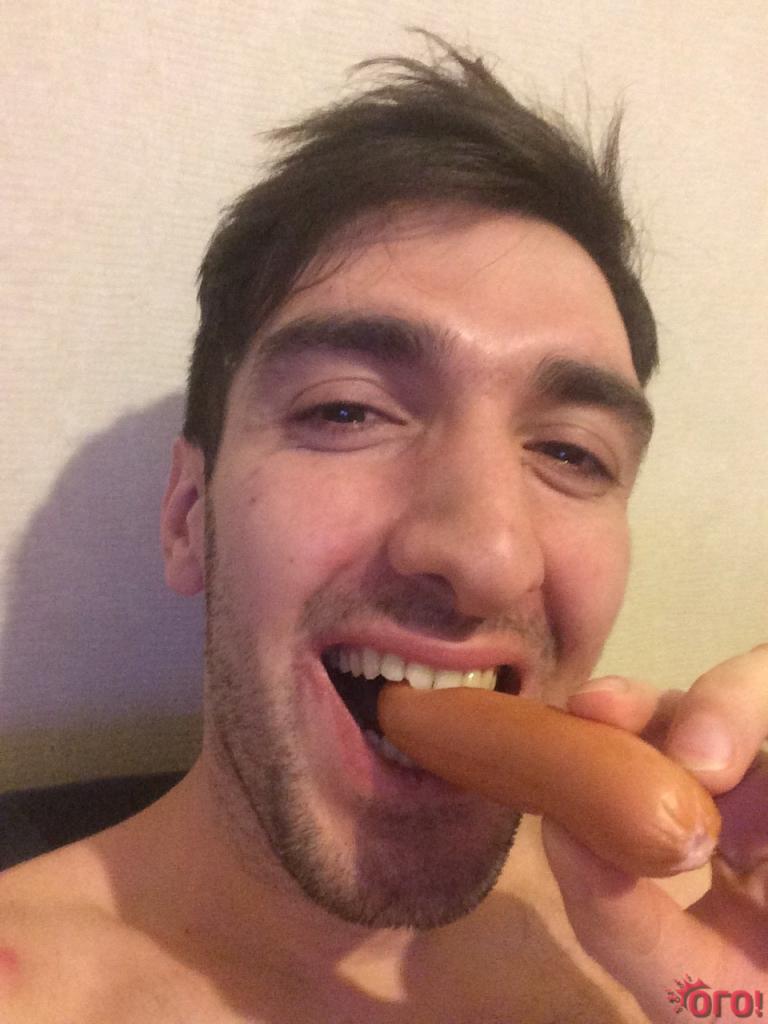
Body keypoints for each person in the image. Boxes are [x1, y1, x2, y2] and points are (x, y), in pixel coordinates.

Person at [0, 36, 765, 1023]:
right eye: (347, 411)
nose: (488, 555)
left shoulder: (708, 942)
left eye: (571, 453)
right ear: (190, 519)